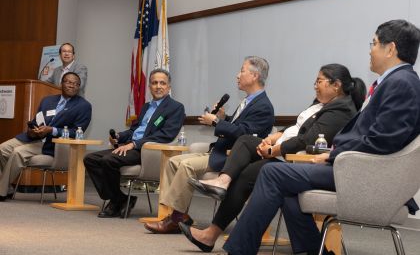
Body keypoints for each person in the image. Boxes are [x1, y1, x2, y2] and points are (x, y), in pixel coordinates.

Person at [221, 19, 420, 255]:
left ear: (391, 48)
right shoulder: (395, 82)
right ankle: (313, 250)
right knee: (286, 185)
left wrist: (332, 156)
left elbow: (384, 140)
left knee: (273, 172)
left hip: (364, 175)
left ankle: (239, 250)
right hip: (357, 168)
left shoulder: (402, 83)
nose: (370, 49)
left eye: (374, 43)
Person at [181, 64, 366, 252]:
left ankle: (213, 234)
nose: (315, 86)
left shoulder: (341, 110)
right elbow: (296, 127)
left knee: (251, 172)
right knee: (246, 141)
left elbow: (307, 139)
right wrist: (272, 138)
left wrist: (274, 150)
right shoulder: (320, 104)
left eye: (319, 81)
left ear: (336, 85)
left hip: (297, 160)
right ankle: (222, 182)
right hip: (285, 153)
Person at [144, 56, 275, 234]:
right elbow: (238, 126)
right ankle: (178, 215)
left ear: (254, 76)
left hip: (234, 159)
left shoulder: (264, 106)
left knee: (186, 165)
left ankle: (174, 219)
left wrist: (216, 122)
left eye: (242, 71)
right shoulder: (248, 101)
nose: (238, 75)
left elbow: (245, 135)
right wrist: (223, 118)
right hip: (219, 151)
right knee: (173, 162)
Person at [83, 69, 185, 218]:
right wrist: (119, 136)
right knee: (90, 159)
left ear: (169, 87)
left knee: (108, 160)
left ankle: (116, 201)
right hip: (132, 147)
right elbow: (134, 129)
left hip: (148, 152)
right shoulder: (146, 107)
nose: (158, 86)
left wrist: (134, 144)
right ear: (149, 86)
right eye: (154, 83)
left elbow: (165, 135)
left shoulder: (175, 107)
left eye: (162, 83)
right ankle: (120, 198)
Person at [0, 72, 92, 201]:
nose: (72, 86)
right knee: (2, 149)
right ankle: (7, 186)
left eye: (76, 84)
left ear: (79, 87)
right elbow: (36, 120)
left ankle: (1, 191)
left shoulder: (84, 106)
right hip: (33, 138)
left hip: (53, 145)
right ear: (62, 84)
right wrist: (33, 129)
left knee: (17, 153)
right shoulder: (48, 100)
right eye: (69, 82)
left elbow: (77, 132)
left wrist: (52, 130)